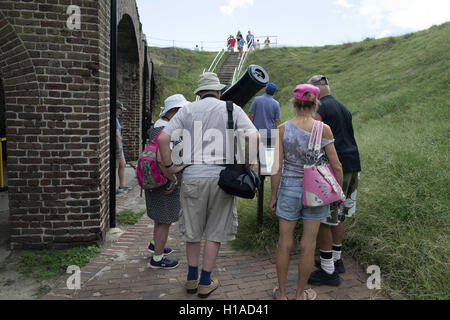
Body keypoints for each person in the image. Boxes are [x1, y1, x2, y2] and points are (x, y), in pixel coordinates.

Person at [158, 72, 258, 299]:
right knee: (215, 231)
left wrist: (171, 166)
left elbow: (163, 139)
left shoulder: (187, 110)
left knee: (192, 231)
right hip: (223, 178)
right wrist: (250, 164)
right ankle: (205, 281)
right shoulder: (231, 109)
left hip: (192, 175)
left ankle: (191, 279)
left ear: (199, 93)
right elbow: (254, 136)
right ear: (219, 92)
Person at [269, 84, 343, 300]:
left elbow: (276, 168)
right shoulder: (323, 129)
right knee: (308, 244)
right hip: (316, 192)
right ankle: (300, 294)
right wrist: (337, 193)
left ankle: (281, 294)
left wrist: (274, 196)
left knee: (284, 242)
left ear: (294, 102)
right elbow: (336, 166)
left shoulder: (282, 129)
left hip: (289, 189)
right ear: (315, 103)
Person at [306, 75, 361, 286]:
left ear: (316, 91)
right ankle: (337, 260)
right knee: (340, 216)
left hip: (333, 167)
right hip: (353, 164)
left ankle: (328, 270)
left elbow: (313, 139)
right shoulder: (343, 107)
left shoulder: (320, 110)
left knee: (324, 219)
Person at [146, 94, 190, 270]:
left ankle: (156, 245)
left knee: (159, 216)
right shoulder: (168, 130)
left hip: (155, 179)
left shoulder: (158, 125)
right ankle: (157, 258)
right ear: (173, 112)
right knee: (165, 220)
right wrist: (172, 178)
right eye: (181, 111)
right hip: (164, 180)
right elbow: (160, 159)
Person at [249, 83, 281, 148]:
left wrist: (249, 129)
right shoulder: (276, 104)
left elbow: (251, 115)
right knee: (268, 155)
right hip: (269, 134)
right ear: (273, 92)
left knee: (253, 154)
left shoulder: (257, 100)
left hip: (256, 132)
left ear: (265, 90)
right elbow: (277, 121)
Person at [116, 101, 133, 195]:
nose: (121, 111)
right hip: (118, 147)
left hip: (120, 146)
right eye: (120, 109)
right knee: (116, 166)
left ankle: (122, 185)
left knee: (123, 164)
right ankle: (115, 188)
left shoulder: (116, 119)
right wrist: (118, 147)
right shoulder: (114, 119)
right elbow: (116, 134)